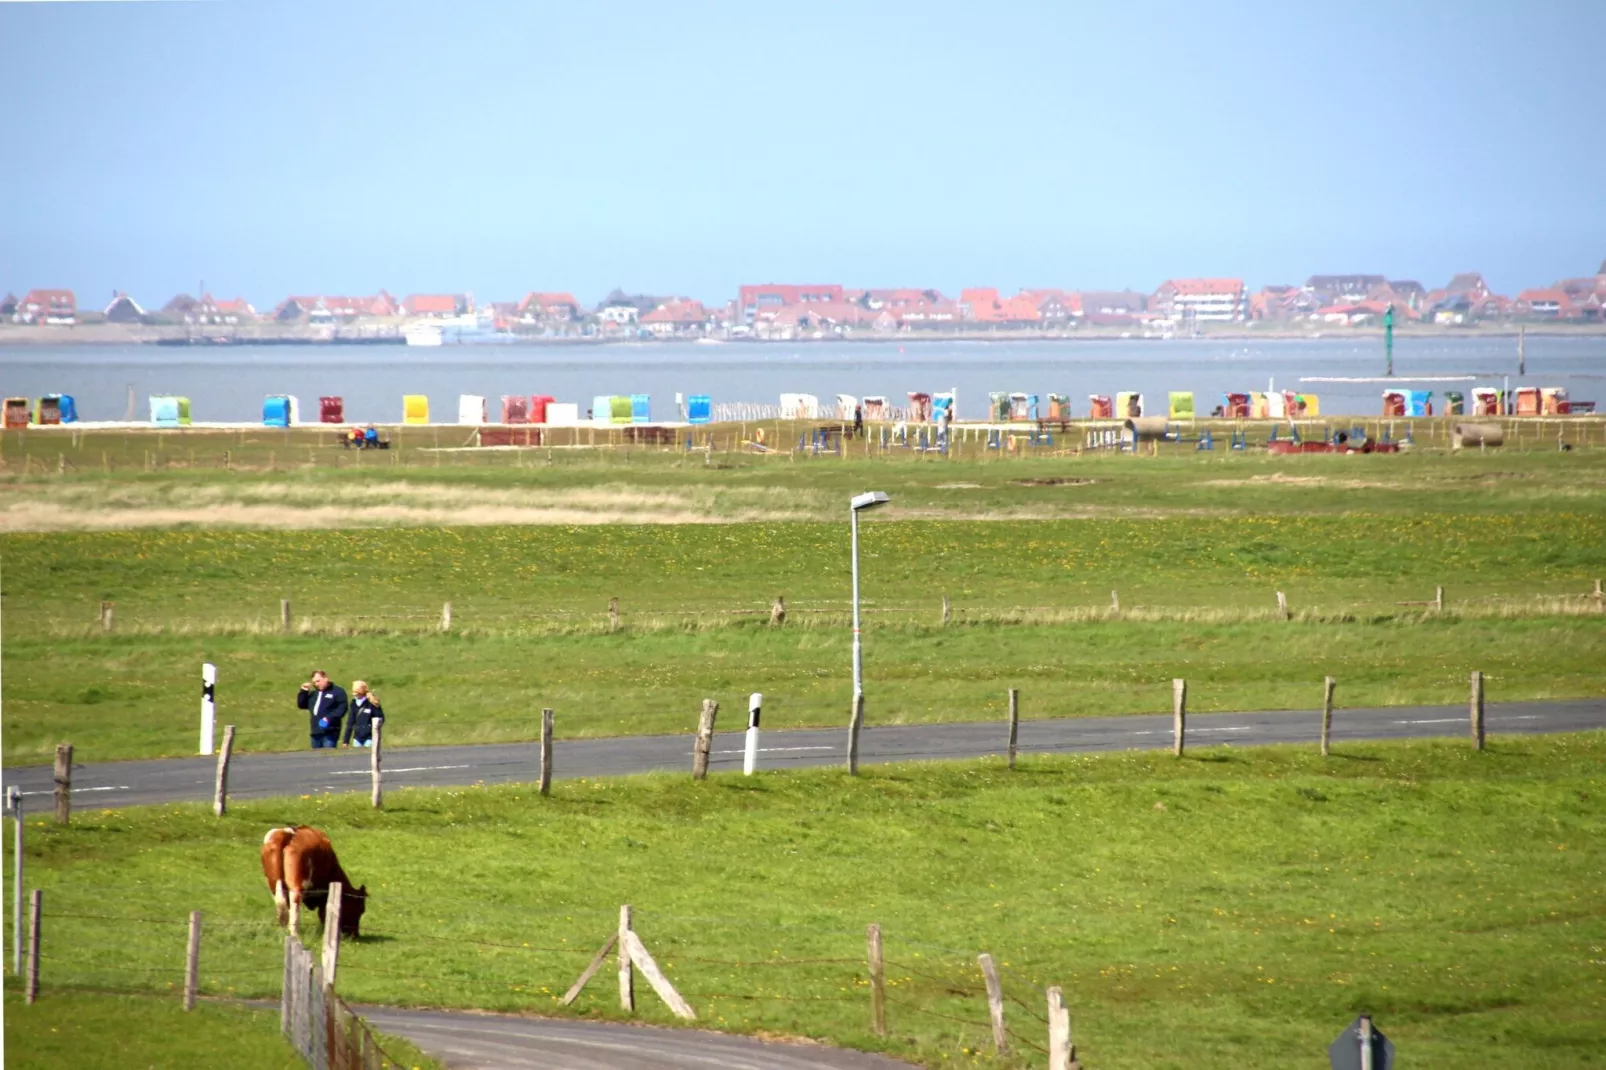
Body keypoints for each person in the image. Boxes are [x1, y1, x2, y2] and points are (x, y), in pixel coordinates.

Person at [297, 670, 348, 749]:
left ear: (325, 678)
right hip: (315, 732)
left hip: (330, 732)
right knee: (316, 757)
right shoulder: (314, 694)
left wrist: (329, 718)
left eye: (318, 681)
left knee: (327, 756)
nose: (316, 684)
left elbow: (342, 709)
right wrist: (303, 691)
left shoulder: (337, 692)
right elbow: (301, 705)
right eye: (314, 682)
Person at [343, 681, 384, 748]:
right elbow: (350, 722)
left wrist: (373, 727)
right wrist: (346, 740)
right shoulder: (353, 704)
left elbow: (380, 717)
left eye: (356, 693)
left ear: (361, 692)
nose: (354, 695)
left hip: (370, 737)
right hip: (357, 738)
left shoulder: (371, 703)